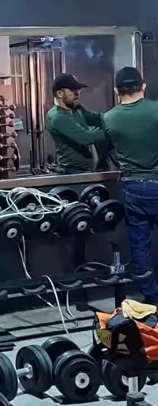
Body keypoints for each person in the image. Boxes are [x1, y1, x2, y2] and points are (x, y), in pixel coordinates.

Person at [104, 66, 158, 303]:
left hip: (133, 187)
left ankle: (153, 299)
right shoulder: (156, 110)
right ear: (143, 87)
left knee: (140, 245)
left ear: (117, 91)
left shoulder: (109, 117)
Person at [46, 73, 108, 173]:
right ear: (60, 93)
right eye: (72, 90)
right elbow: (85, 137)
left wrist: (116, 118)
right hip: (72, 172)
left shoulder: (76, 109)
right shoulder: (58, 117)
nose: (77, 94)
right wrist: (113, 130)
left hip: (87, 170)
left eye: (78, 90)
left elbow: (98, 118)